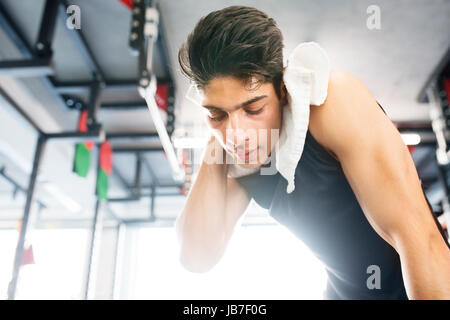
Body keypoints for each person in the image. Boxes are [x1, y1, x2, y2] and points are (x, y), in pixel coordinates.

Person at [174, 5, 450, 299]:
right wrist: (215, 144)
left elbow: (420, 240)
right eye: (216, 114)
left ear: (282, 89)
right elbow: (196, 257)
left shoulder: (331, 103)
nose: (237, 134)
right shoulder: (238, 153)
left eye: (253, 108)